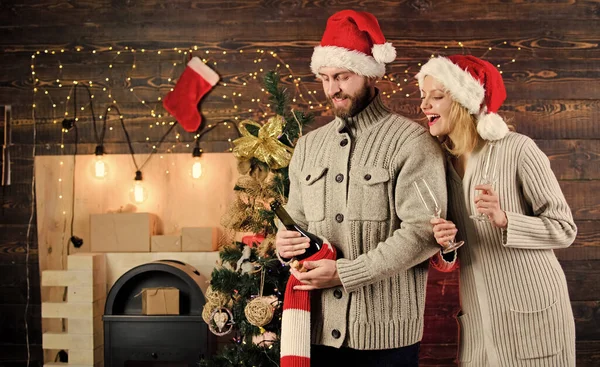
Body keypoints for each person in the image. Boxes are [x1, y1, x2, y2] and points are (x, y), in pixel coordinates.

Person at [275, 9, 447, 367]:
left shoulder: (412, 142)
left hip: (385, 338)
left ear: (369, 74)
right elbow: (295, 221)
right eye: (324, 78)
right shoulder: (308, 146)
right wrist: (283, 244)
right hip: (316, 331)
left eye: (343, 76)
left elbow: (422, 233)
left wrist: (344, 273)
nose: (332, 88)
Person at [417, 54, 577, 366]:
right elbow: (452, 258)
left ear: (465, 102)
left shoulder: (518, 149)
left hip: (534, 316)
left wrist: (506, 220)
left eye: (436, 97)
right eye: (424, 97)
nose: (425, 106)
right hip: (479, 320)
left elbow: (564, 229)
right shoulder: (440, 164)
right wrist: (446, 245)